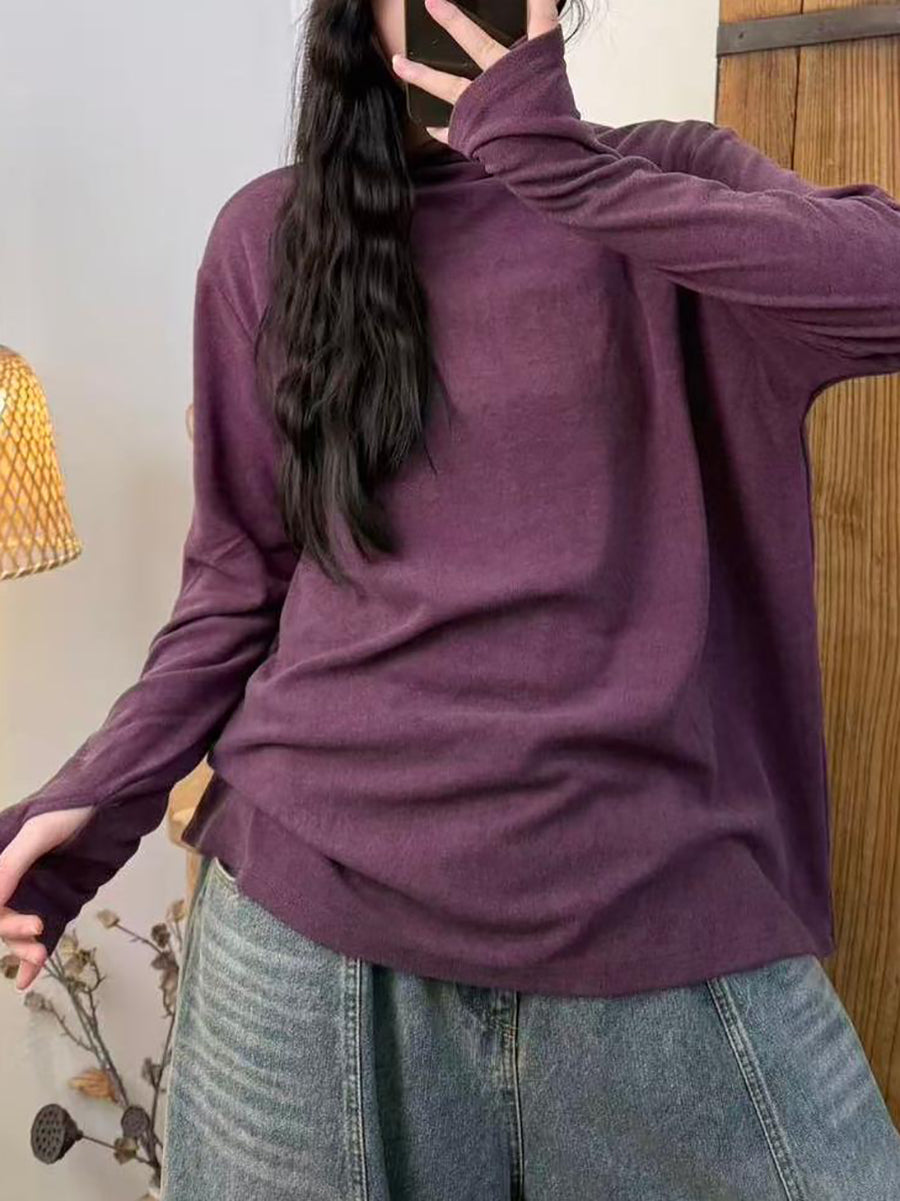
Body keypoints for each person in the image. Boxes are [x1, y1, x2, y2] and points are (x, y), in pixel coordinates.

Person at [3, 0, 900, 1195]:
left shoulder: (671, 181)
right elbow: (238, 581)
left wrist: (562, 168)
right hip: (308, 941)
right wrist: (104, 792)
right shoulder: (270, 237)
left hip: (660, 929)